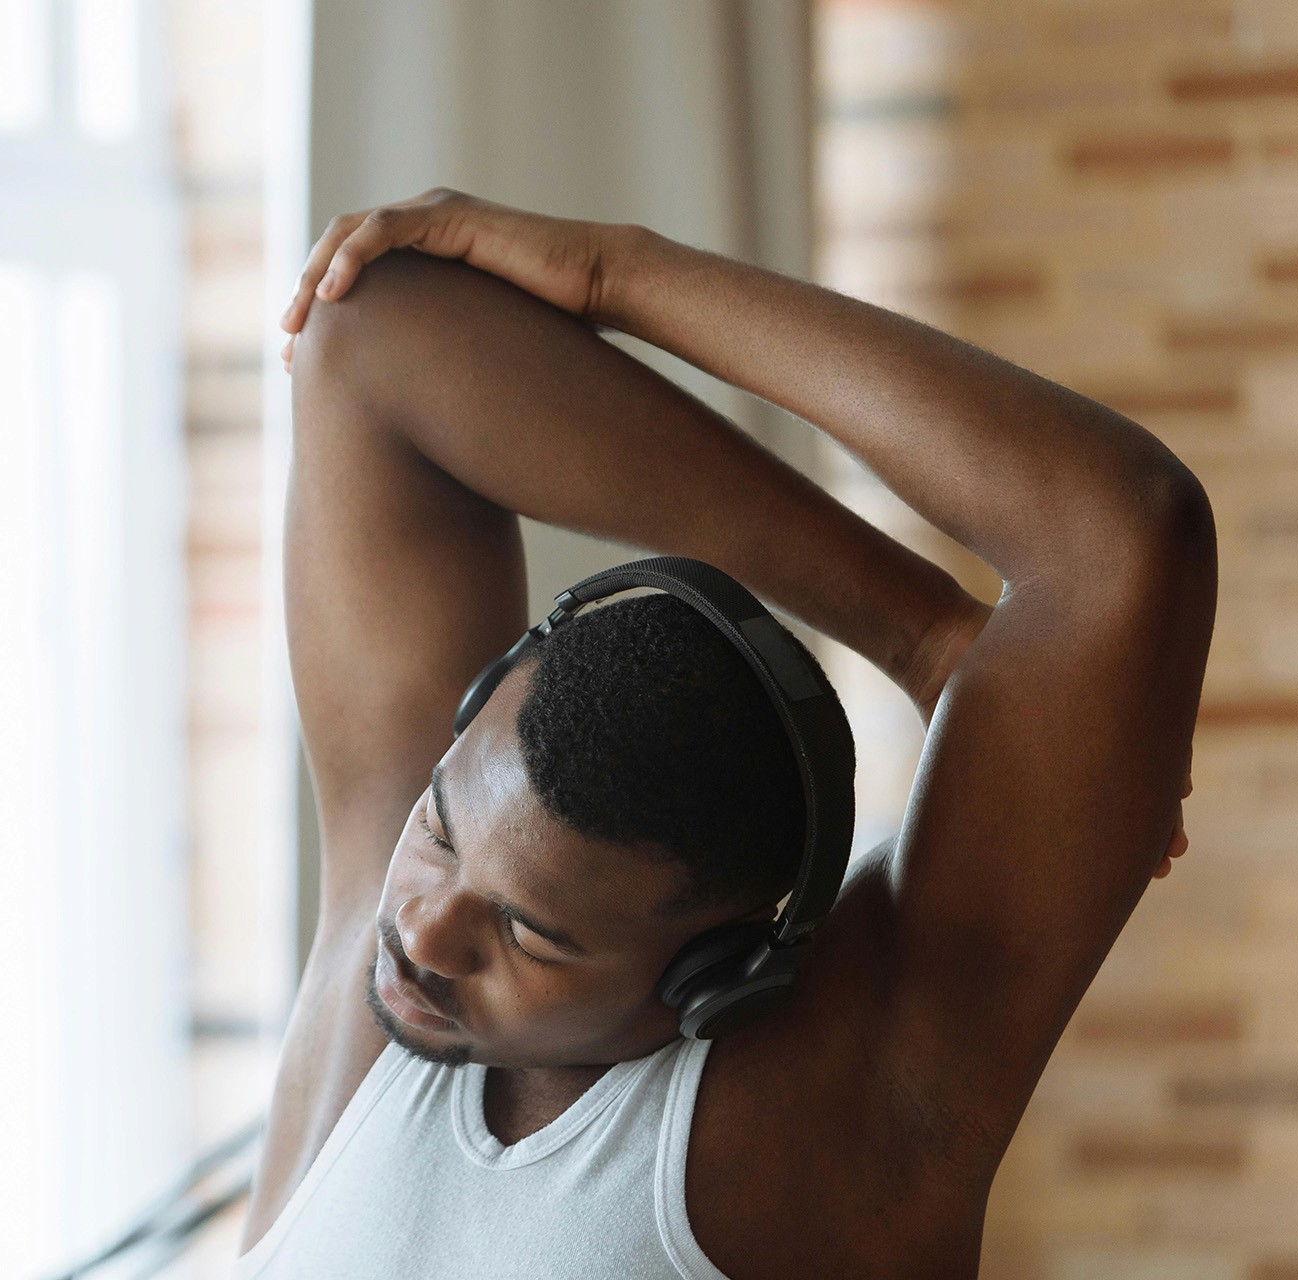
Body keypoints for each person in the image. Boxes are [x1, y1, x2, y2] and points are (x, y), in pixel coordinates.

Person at [235, 189, 1212, 1278]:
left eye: (529, 935)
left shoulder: (845, 1110)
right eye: (441, 826)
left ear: (712, 971)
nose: (421, 932)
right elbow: (375, 333)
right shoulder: (388, 936)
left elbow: (1121, 526)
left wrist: (627, 275)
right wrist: (916, 628)